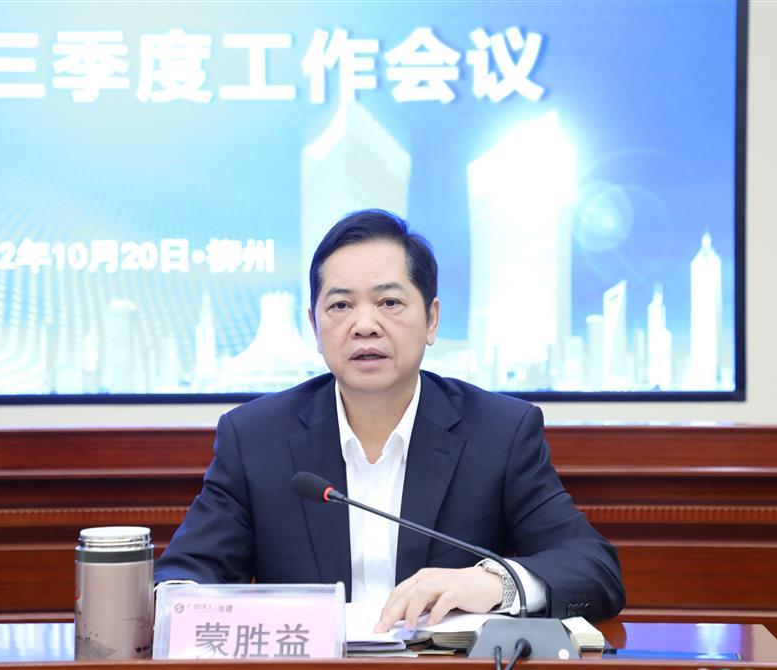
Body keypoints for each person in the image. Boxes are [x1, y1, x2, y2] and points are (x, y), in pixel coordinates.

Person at [155, 209, 625, 630]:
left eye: (389, 303)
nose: (364, 325)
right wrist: (182, 604)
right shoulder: (256, 437)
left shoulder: (499, 432)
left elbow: (594, 569)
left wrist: (492, 583)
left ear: (432, 320)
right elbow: (182, 577)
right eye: (340, 306)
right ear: (314, 326)